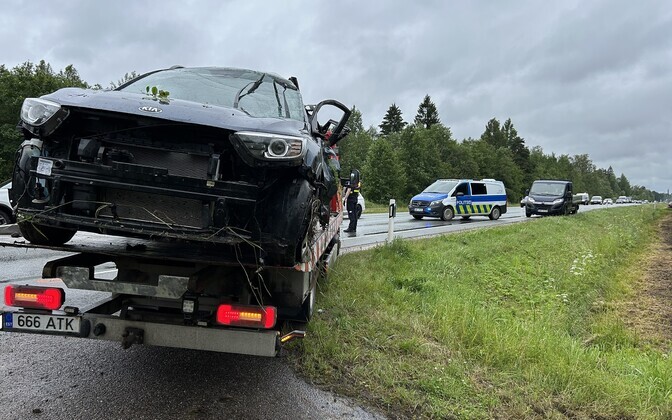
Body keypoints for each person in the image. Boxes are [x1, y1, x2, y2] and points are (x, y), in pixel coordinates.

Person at [343, 169, 361, 233]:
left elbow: (349, 190)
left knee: (351, 214)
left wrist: (345, 198)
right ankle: (354, 228)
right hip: (355, 198)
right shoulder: (358, 183)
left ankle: (350, 228)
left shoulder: (352, 182)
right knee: (354, 214)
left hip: (350, 199)